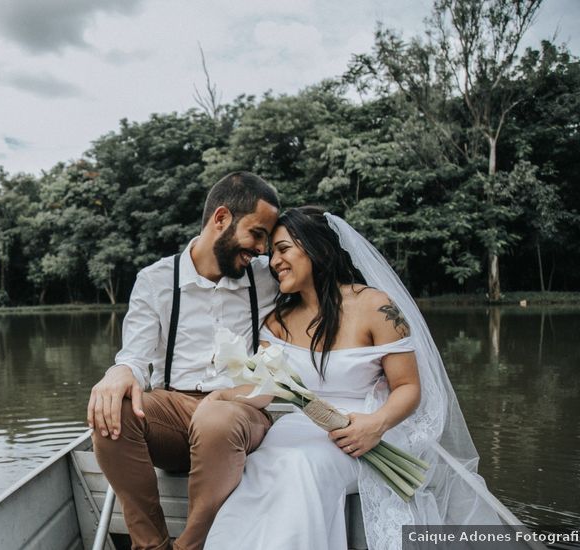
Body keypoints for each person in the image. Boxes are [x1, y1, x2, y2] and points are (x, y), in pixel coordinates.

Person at [205, 206, 501, 550]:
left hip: (367, 429)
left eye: (284, 249)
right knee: (262, 467)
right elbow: (266, 392)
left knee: (301, 466)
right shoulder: (278, 322)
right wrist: (223, 397)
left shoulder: (376, 307)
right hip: (295, 431)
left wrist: (375, 425)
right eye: (272, 253)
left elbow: (408, 388)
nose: (273, 262)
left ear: (321, 250)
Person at [88, 171, 281, 550]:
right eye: (257, 234)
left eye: (268, 239)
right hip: (174, 409)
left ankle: (191, 545)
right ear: (221, 219)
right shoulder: (156, 279)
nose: (263, 249)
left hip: (241, 410)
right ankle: (152, 545)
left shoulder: (269, 277)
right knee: (112, 409)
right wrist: (117, 372)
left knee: (216, 418)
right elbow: (134, 357)